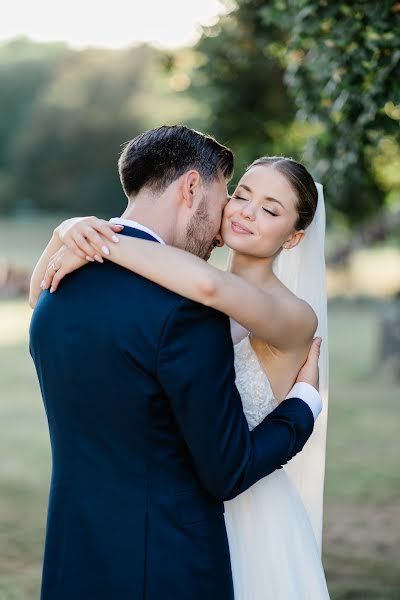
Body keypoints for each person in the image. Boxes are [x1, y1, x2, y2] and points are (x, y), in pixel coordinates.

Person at [29, 125, 324, 599]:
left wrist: (87, 235)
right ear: (192, 187)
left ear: (293, 237)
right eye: (238, 195)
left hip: (102, 546)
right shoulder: (182, 305)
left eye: (270, 210)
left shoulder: (63, 290)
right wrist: (72, 231)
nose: (243, 212)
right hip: (172, 544)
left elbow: (210, 287)